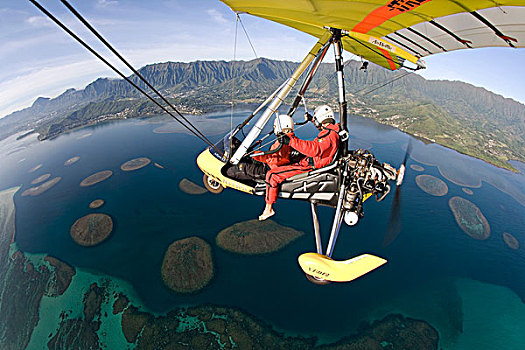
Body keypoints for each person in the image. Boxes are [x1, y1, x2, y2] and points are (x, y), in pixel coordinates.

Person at [259, 105, 341, 221]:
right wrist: (312, 119)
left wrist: (290, 141)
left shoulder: (328, 135)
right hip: (311, 161)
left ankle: (269, 208)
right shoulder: (333, 131)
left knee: (272, 175)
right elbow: (319, 145)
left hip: (310, 166)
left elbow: (314, 149)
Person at [226, 114, 294, 181]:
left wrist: (253, 154)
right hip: (270, 165)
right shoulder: (290, 139)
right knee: (247, 160)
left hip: (267, 170)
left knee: (230, 171)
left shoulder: (282, 143)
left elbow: (271, 158)